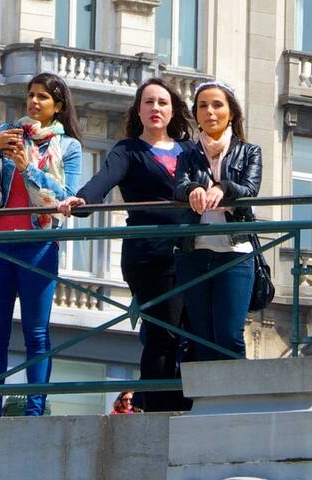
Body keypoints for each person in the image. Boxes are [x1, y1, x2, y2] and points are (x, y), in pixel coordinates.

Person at [59, 78, 198, 412]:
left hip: (194, 252)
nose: (155, 108)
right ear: (139, 110)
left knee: (196, 332)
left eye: (162, 102)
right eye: (148, 102)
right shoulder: (128, 150)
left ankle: (192, 406)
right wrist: (83, 200)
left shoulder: (191, 150)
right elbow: (104, 179)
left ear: (173, 110)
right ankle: (160, 410)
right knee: (162, 331)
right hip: (149, 255)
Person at [0, 73, 83, 417]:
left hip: (38, 245)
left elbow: (66, 198)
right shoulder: (7, 134)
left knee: (36, 333)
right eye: (30, 95)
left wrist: (28, 170)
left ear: (57, 106)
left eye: (43, 96)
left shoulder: (68, 147)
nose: (34, 102)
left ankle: (34, 412)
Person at [174, 82, 262, 362]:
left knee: (228, 335)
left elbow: (250, 188)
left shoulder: (249, 152)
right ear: (196, 115)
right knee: (201, 336)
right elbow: (179, 186)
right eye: (203, 106)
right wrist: (192, 190)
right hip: (194, 253)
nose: (210, 112)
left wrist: (224, 187)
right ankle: (206, 404)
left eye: (217, 105)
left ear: (231, 113)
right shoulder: (187, 154)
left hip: (235, 253)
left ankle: (236, 402)